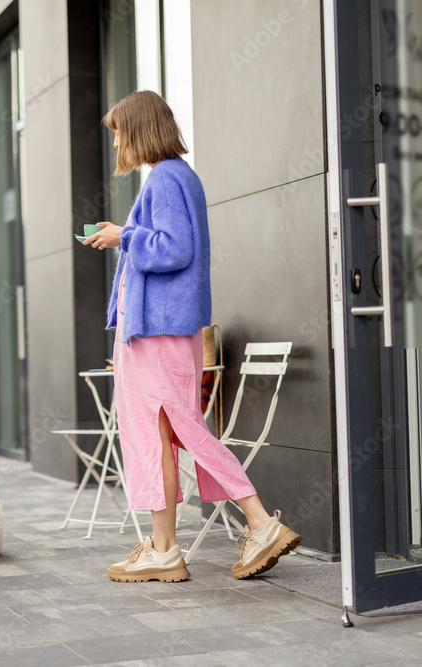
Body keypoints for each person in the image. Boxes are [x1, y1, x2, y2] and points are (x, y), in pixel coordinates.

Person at [84, 90, 300, 583]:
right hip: (165, 330)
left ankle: (259, 523)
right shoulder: (176, 176)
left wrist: (125, 237)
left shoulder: (164, 178)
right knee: (166, 433)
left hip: (158, 332)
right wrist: (127, 232)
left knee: (171, 431)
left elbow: (173, 249)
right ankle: (165, 548)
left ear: (140, 128)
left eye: (119, 131)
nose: (117, 141)